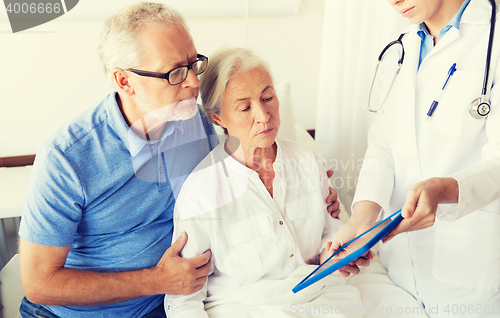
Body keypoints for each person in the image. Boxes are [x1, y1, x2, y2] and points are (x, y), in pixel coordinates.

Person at [18, 3, 342, 317]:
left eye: (193, 63)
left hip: (167, 305)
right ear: (124, 81)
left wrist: (313, 202)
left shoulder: (196, 120)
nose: (193, 83)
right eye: (175, 72)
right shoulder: (67, 158)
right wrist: (157, 280)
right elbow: (39, 284)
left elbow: (250, 165)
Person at [165, 48, 367, 318]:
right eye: (245, 107)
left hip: (323, 299)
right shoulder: (200, 193)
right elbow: (184, 300)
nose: (263, 114)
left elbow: (327, 236)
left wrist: (335, 254)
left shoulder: (307, 160)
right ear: (218, 118)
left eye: (268, 97)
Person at [331, 0, 500, 317]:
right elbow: (383, 145)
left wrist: (443, 190)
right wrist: (361, 222)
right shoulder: (400, 46)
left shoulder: (494, 37)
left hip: (473, 273)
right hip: (399, 274)